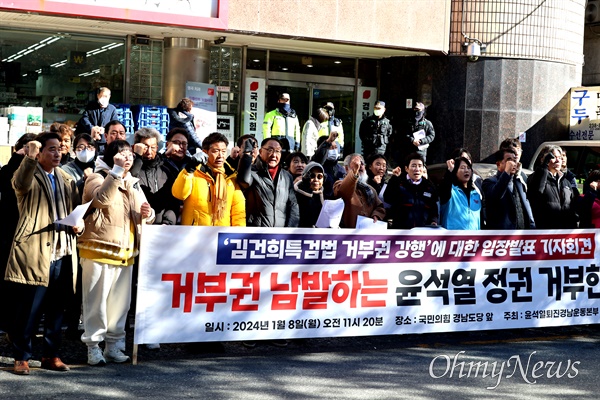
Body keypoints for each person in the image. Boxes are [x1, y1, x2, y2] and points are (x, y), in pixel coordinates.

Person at [4, 131, 83, 375]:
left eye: (59, 148)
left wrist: (79, 225)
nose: (58, 152)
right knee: (29, 308)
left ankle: (51, 355)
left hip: (63, 249)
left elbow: (74, 209)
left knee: (56, 309)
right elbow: (20, 184)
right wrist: (28, 156)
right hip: (36, 250)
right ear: (39, 153)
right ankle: (21, 357)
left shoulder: (66, 177)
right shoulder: (27, 173)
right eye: (51, 149)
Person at [78, 140, 155, 366]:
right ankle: (93, 347)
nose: (128, 157)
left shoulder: (134, 183)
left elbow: (145, 213)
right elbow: (101, 200)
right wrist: (117, 172)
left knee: (120, 305)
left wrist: (147, 214)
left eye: (130, 154)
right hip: (98, 249)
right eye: (122, 154)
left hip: (127, 252)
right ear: (112, 156)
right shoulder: (97, 176)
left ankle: (114, 346)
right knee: (96, 303)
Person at [172, 132, 246, 226]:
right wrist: (189, 169)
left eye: (223, 151)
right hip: (195, 233)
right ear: (205, 152)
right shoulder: (193, 172)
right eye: (216, 151)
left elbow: (238, 210)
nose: (220, 155)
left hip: (221, 235)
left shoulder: (231, 176)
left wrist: (238, 234)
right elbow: (179, 194)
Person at [237, 137, 299, 228]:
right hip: (256, 233)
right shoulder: (253, 172)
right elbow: (244, 181)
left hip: (280, 235)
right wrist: (246, 154)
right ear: (261, 151)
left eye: (278, 151)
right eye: (270, 150)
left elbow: (293, 206)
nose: (274, 155)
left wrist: (290, 231)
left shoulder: (286, 176)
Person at [132, 127, 179, 225]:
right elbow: (129, 181)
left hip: (162, 228)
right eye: (145, 147)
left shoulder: (167, 170)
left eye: (152, 147)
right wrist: (138, 158)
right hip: (136, 225)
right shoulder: (131, 167)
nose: (149, 151)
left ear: (157, 147)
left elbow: (173, 203)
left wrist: (167, 223)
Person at [527, 145, 578, 229]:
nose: (558, 160)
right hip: (545, 232)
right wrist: (543, 167)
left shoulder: (566, 181)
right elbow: (535, 192)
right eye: (553, 157)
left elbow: (573, 207)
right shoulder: (536, 177)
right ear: (543, 159)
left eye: (560, 157)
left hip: (565, 233)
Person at [483, 147, 535, 230]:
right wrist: (507, 172)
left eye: (514, 160)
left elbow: (526, 208)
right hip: (502, 237)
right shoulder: (489, 182)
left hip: (521, 236)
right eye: (509, 160)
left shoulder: (518, 183)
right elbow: (496, 195)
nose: (512, 163)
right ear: (498, 164)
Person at [384, 153, 438, 229]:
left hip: (422, 231)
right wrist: (394, 178)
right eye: (413, 166)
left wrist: (433, 220)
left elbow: (433, 207)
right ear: (406, 168)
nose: (417, 169)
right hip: (401, 231)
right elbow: (388, 198)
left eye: (420, 166)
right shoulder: (399, 182)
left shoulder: (428, 186)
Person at [334, 153, 386, 229]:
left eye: (362, 163)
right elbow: (344, 192)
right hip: (347, 235)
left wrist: (376, 215)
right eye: (356, 164)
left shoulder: (370, 189)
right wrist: (354, 172)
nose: (360, 166)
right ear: (346, 168)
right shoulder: (339, 184)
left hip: (366, 234)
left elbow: (379, 207)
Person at [439, 156, 482, 230]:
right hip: (452, 239)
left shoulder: (475, 194)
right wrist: (450, 171)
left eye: (468, 168)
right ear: (455, 171)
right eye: (462, 168)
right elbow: (445, 187)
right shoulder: (451, 191)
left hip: (472, 239)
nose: (466, 170)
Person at [294, 162, 331, 228]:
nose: (316, 179)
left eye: (320, 176)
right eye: (312, 176)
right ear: (305, 178)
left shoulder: (328, 196)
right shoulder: (296, 196)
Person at [61, 133, 97, 198]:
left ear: (95, 150)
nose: (86, 150)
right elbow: (69, 194)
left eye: (89, 147)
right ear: (74, 151)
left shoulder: (99, 167)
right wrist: (84, 180)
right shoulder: (66, 169)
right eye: (81, 147)